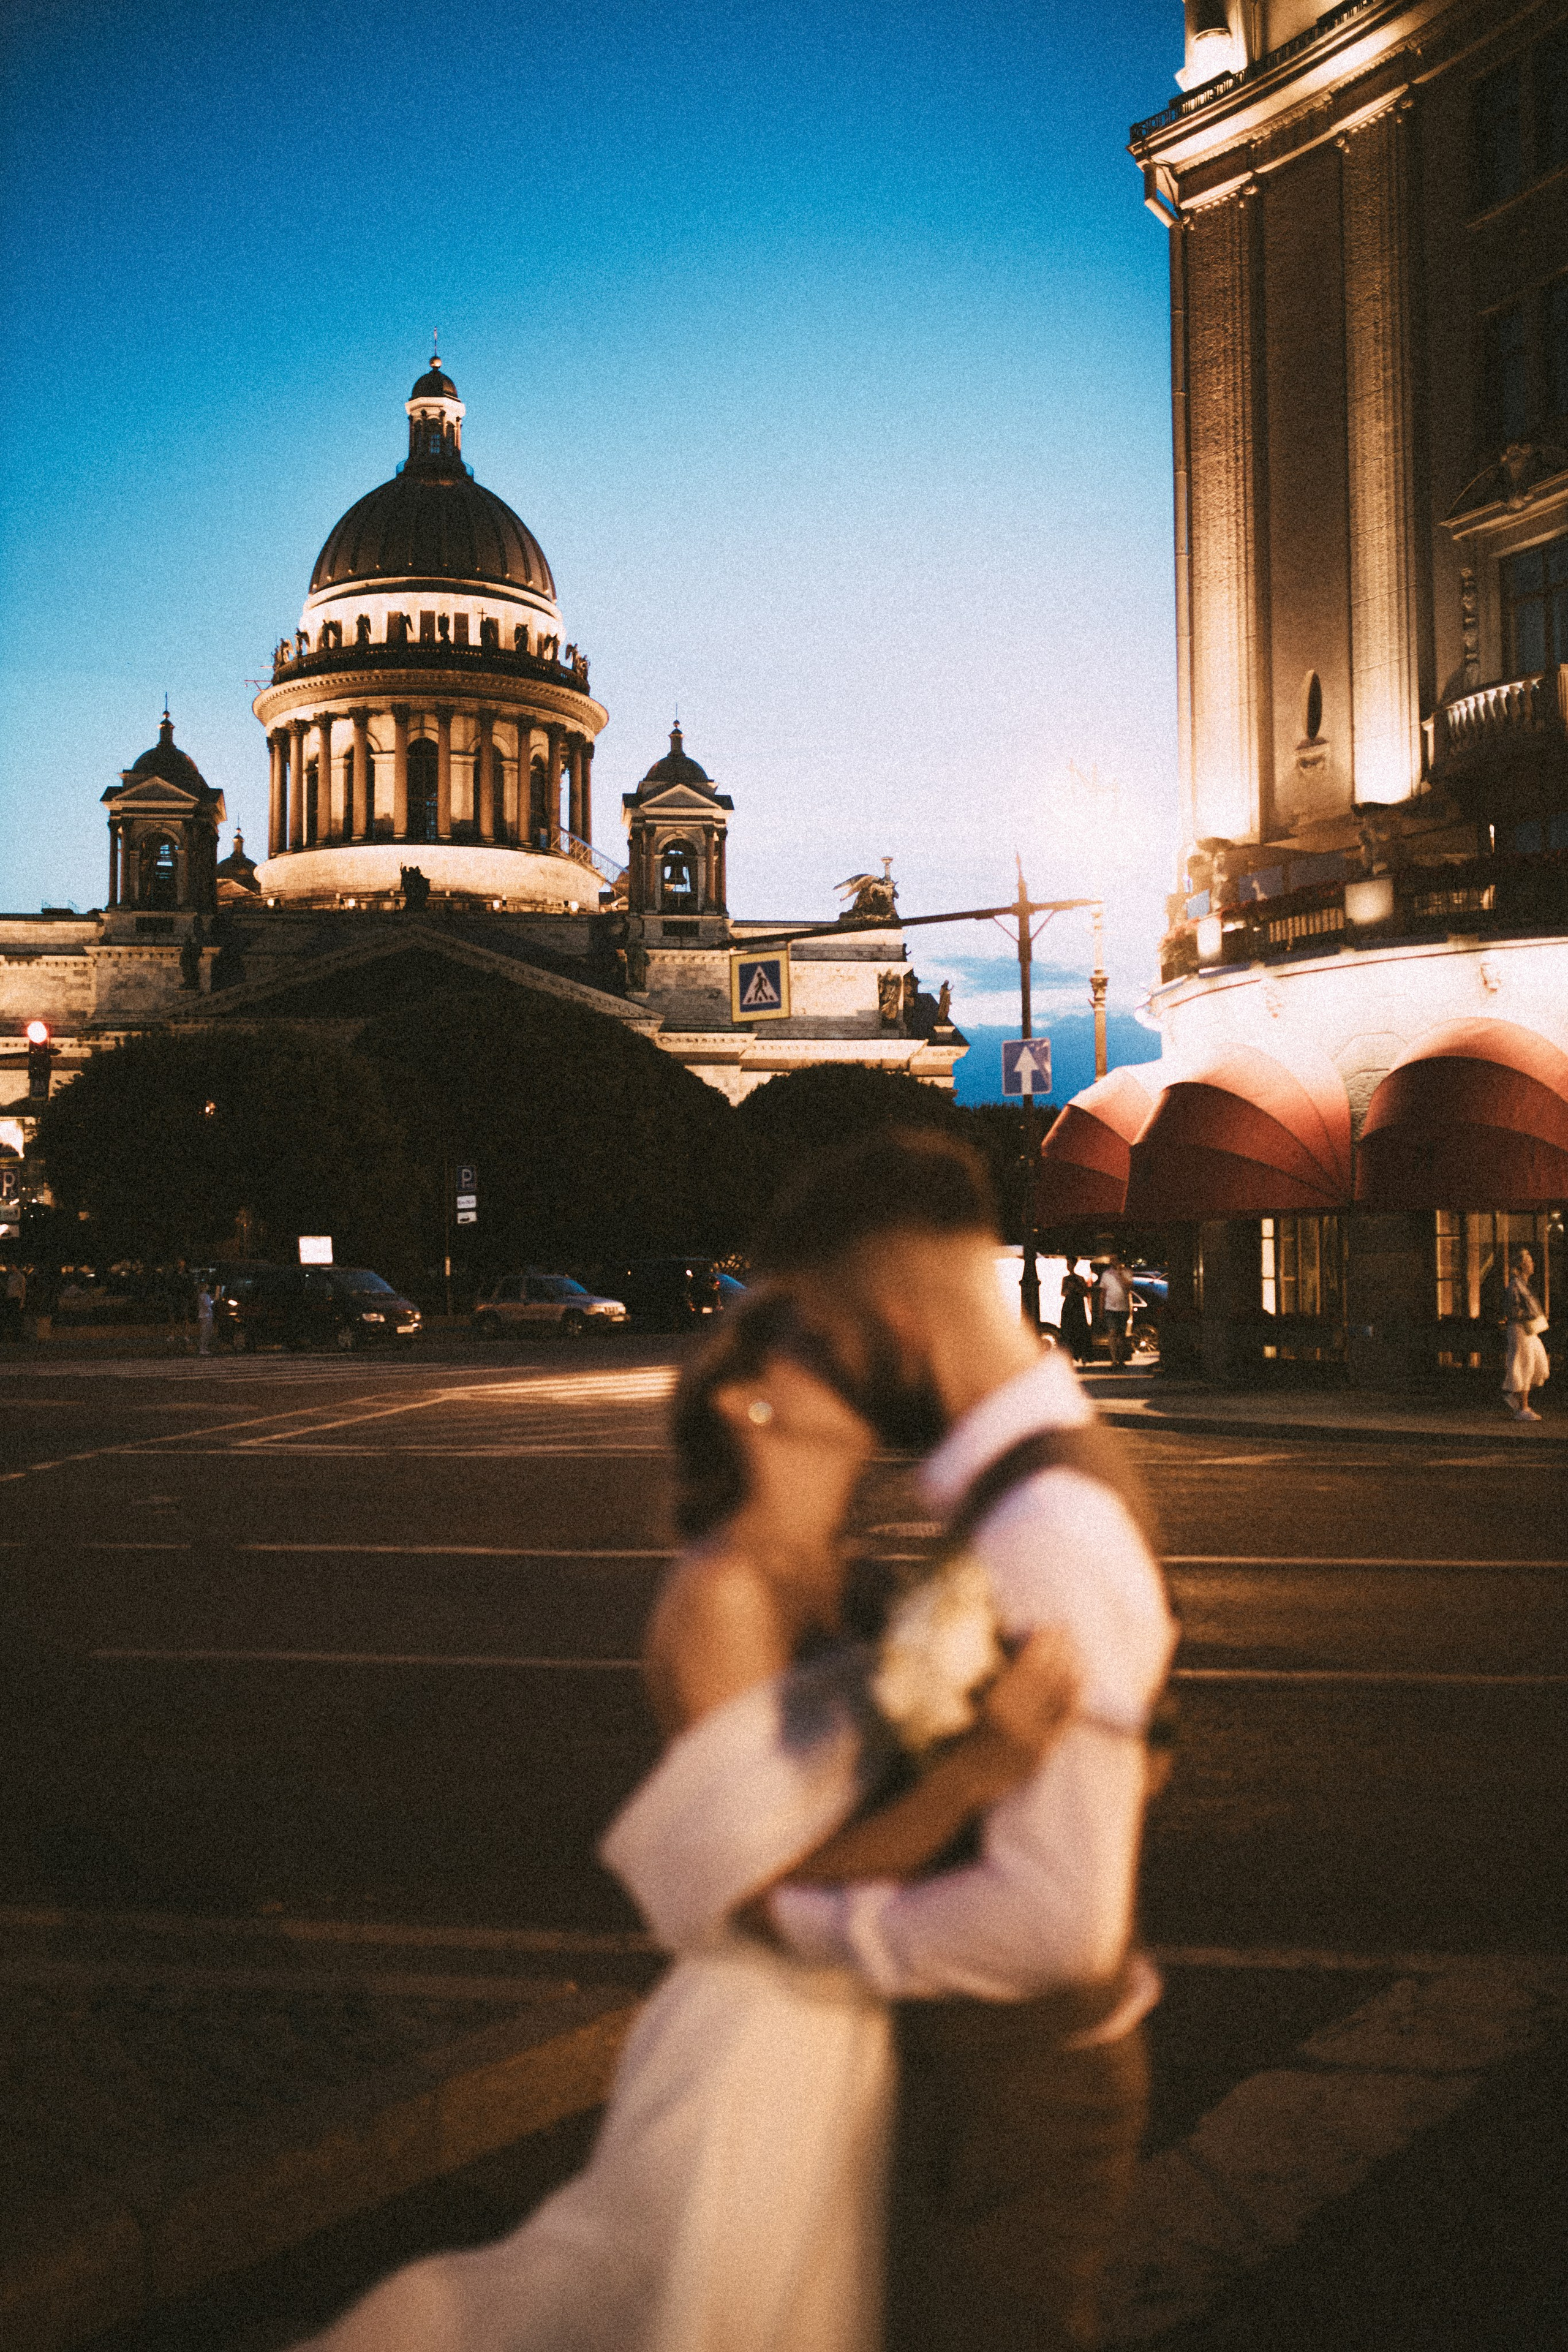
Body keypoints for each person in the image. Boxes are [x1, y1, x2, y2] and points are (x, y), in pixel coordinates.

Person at [293, 1290, 1080, 2352]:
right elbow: (754, 1896)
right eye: (821, 1356)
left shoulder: (851, 1576)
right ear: (748, 1404)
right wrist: (979, 1769)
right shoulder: (723, 1595)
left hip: (869, 2016)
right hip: (765, 2038)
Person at [755, 1129, 1177, 2352]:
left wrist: (798, 1927)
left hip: (1002, 2107)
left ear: (895, 1317)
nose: (825, 1374)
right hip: (991, 2095)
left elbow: (1052, 1921)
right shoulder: (1030, 1488)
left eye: (829, 1337)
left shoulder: (1045, 1527)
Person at [1502, 1247, 1550, 1422]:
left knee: (1540, 1365)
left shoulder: (1524, 1284)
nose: (1533, 1264)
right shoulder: (1516, 1285)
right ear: (1522, 1265)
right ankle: (1523, 1407)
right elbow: (1512, 1309)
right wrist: (1531, 1316)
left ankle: (1514, 1394)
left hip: (1529, 1329)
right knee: (1525, 1364)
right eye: (1529, 1261)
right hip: (1520, 1329)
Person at [1096, 1251, 1133, 1369]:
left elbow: (1129, 1287)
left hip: (1123, 1308)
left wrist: (1121, 1273)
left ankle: (1121, 1359)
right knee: (1112, 1333)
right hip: (1110, 1308)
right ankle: (1114, 1360)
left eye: (1115, 1259)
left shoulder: (1127, 1272)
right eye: (1111, 1260)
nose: (1113, 1262)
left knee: (1121, 1335)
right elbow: (1103, 1293)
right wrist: (1101, 1309)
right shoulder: (1106, 1274)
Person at [1059, 1254, 1093, 1364]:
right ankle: (1073, 1354)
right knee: (1069, 1330)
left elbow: (1085, 1292)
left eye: (1070, 1264)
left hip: (1077, 1306)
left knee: (1079, 1329)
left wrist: (1076, 1289)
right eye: (1068, 1264)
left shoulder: (1079, 1279)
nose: (1069, 1266)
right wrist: (1070, 1290)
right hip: (1070, 1305)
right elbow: (1063, 1292)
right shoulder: (1067, 1279)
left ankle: (1080, 1354)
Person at [2, 1261, 24, 1342]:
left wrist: (22, 1301)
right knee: (10, 1317)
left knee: (16, 1317)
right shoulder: (11, 1276)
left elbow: (23, 1290)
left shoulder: (20, 1277)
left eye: (12, 1266)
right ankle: (12, 1335)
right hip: (10, 1298)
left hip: (16, 1298)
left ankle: (17, 1336)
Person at [194, 1280, 214, 1357]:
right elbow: (207, 1305)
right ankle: (202, 1349)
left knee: (206, 1333)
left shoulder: (203, 1296)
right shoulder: (204, 1296)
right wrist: (213, 1301)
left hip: (205, 1315)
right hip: (205, 1316)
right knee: (205, 1333)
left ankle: (204, 1348)